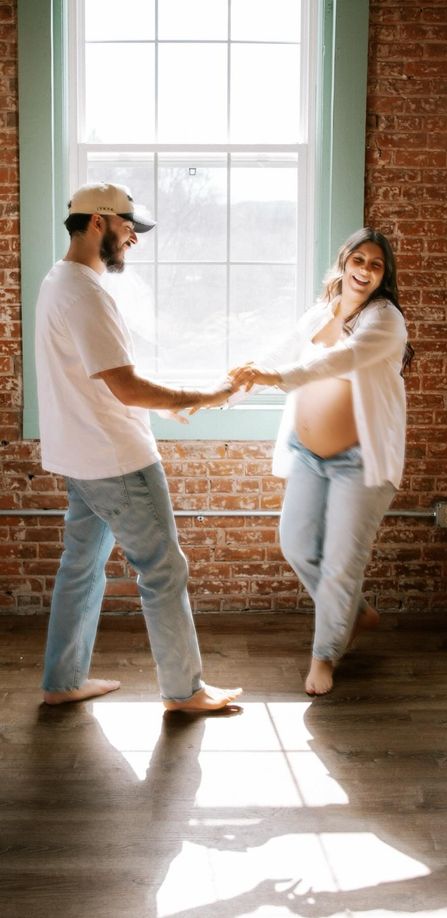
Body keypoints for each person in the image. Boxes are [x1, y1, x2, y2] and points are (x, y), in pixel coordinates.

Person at [35, 181, 251, 711]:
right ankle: (186, 691)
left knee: (80, 566)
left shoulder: (58, 280)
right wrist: (208, 395)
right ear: (97, 223)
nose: (134, 236)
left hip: (81, 457)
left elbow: (101, 379)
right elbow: (126, 385)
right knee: (163, 569)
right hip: (118, 460)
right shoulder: (85, 292)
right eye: (128, 225)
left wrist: (170, 402)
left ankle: (62, 682)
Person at [226, 228, 413, 696]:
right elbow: (286, 347)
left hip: (360, 460)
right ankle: (353, 611)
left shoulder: (386, 320)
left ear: (383, 275)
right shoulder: (323, 311)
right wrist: (235, 384)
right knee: (295, 544)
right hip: (309, 455)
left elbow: (340, 361)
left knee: (340, 565)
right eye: (359, 259)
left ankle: (325, 656)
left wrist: (273, 377)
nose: (366, 270)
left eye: (376, 264)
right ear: (344, 260)